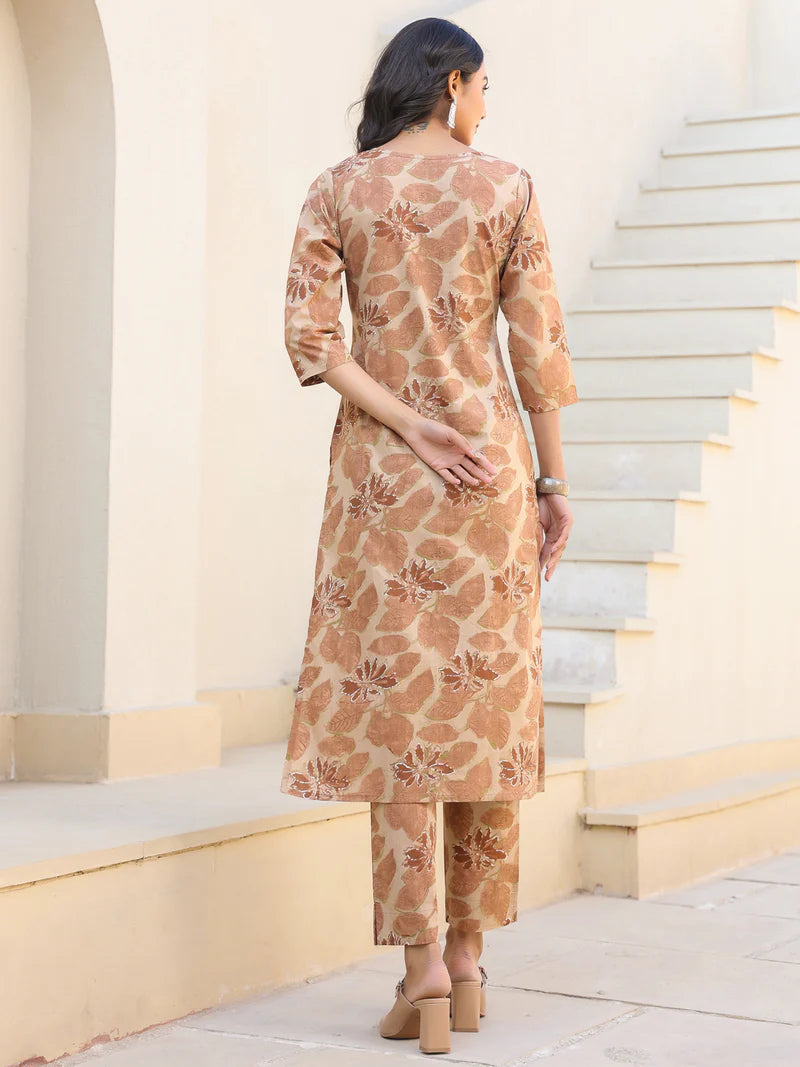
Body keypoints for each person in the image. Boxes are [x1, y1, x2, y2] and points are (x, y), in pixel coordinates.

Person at [279, 15, 578, 1055]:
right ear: (450, 83)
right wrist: (551, 481)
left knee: (404, 726)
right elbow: (537, 350)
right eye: (483, 86)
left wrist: (406, 423)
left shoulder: (337, 188)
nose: (486, 107)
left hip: (384, 485)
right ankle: (468, 960)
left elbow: (314, 344)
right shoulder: (507, 187)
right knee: (480, 718)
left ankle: (423, 978)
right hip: (488, 476)